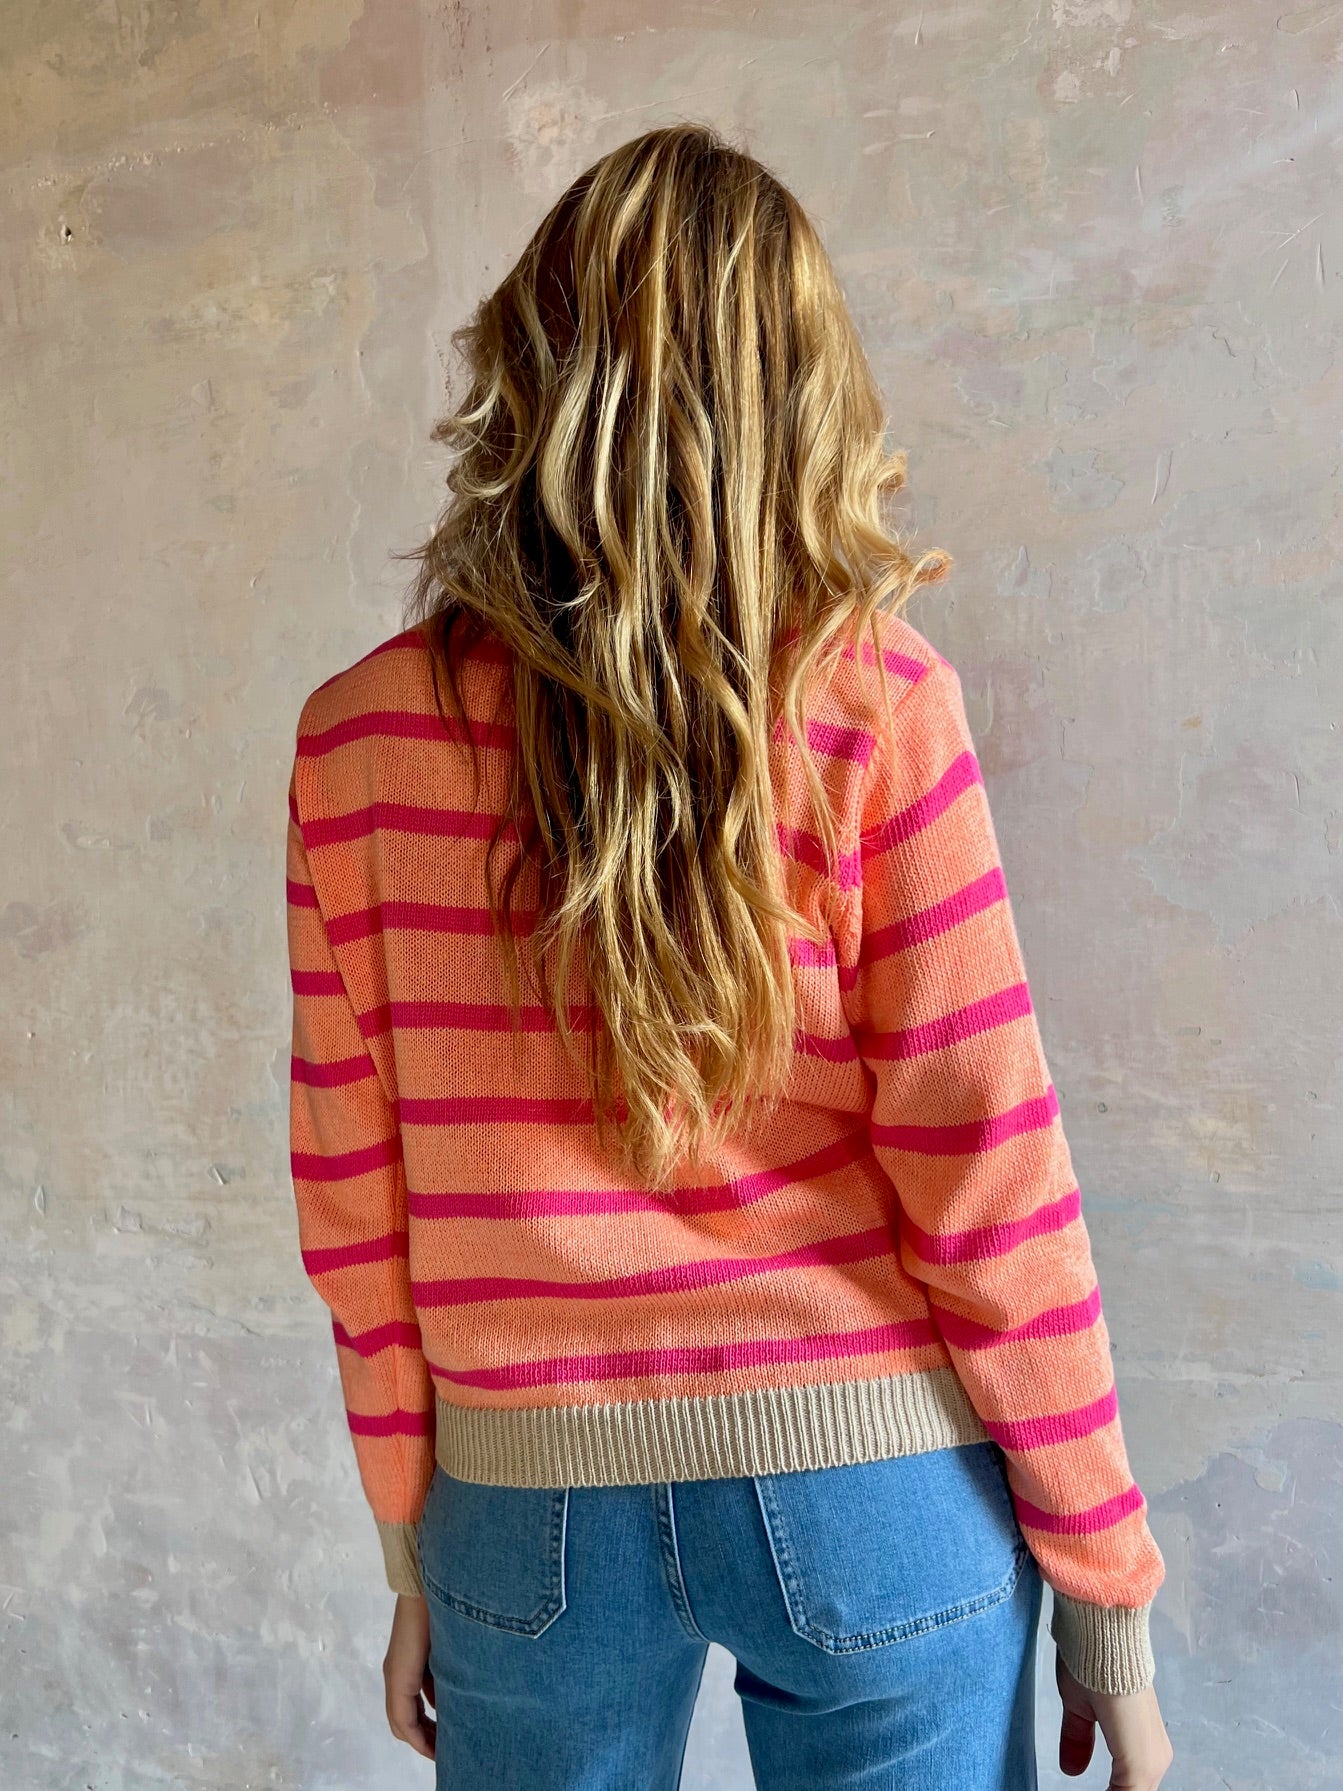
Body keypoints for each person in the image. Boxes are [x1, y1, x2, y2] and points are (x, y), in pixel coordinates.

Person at [284, 122, 1173, 1791]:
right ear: (800, 393)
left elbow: (355, 1198)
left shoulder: (359, 744)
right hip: (870, 1490)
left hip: (521, 1512)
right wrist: (1106, 1588)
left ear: (531, 374)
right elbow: (989, 1171)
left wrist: (410, 1553)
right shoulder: (877, 704)